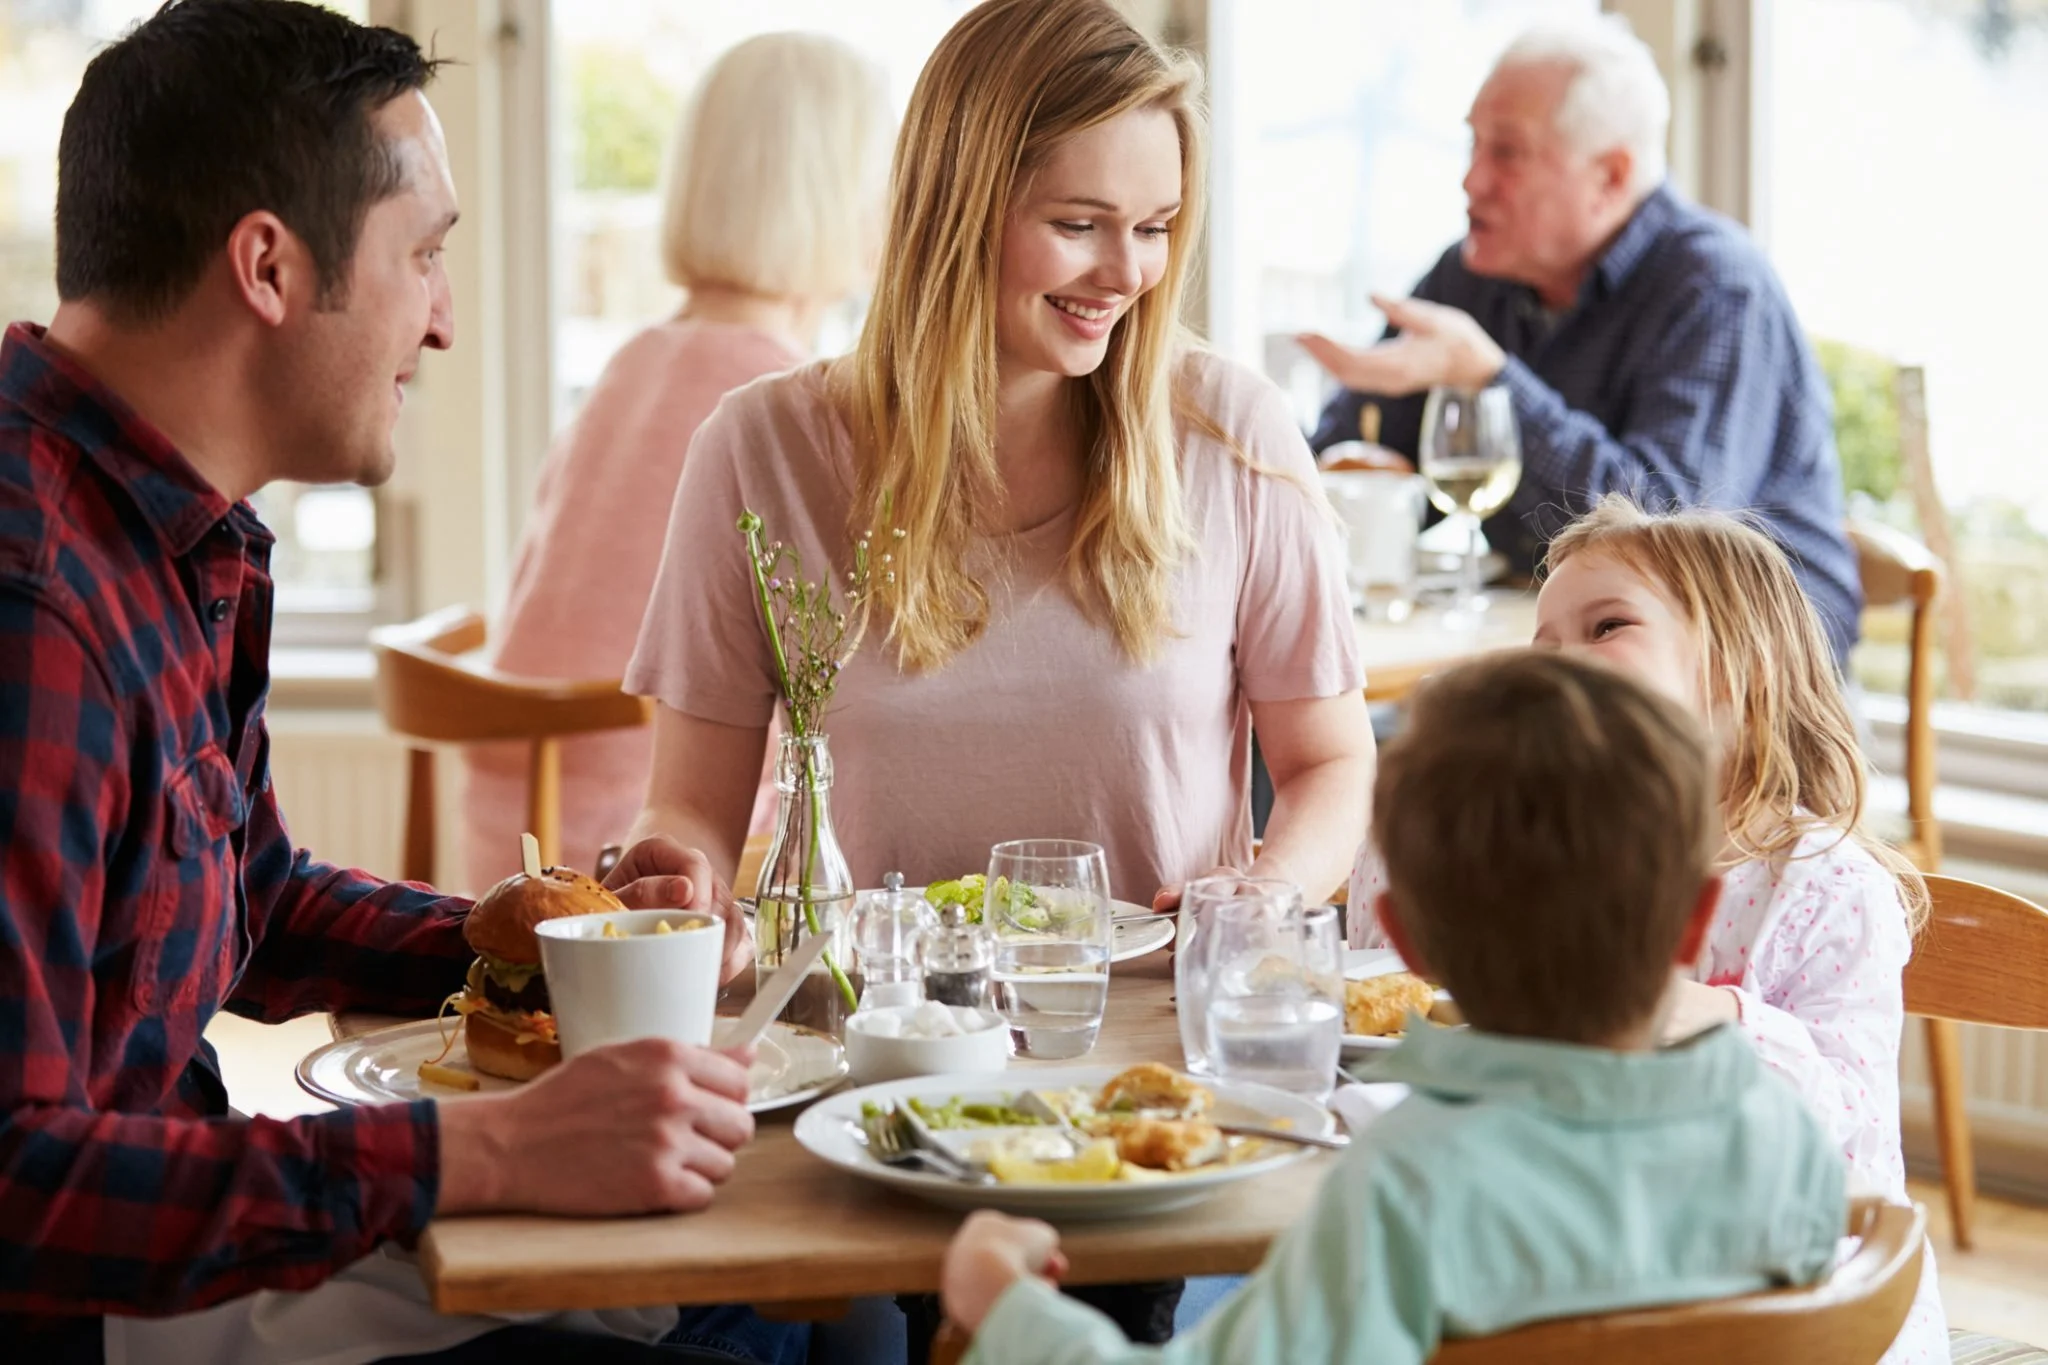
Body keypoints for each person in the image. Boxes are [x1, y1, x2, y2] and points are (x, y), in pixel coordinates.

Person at [0, 4, 791, 1362]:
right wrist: (471, 1151)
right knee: (730, 1325)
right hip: (99, 1320)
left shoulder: (167, 532)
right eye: (423, 257)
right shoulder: (36, 613)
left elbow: (257, 904)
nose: (441, 324)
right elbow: (18, 1188)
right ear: (268, 266)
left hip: (187, 1242)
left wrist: (560, 948)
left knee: (764, 1294)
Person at [623, 0, 1373, 918]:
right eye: (1079, 224)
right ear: (958, 209)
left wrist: (1265, 891)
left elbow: (1331, 762)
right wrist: (682, 877)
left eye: (1154, 226)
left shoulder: (1230, 430)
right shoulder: (759, 448)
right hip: (882, 1032)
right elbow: (692, 804)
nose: (1129, 273)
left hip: (1159, 1034)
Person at [939, 649, 1850, 1364]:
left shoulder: (1408, 1192)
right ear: (1695, 923)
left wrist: (1007, 1308)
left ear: (1403, 940)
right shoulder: (1786, 1145)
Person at [1350, 495, 1948, 1363]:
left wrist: (1702, 1011)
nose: (1557, 661)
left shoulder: (1825, 885)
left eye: (1606, 627)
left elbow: (1846, 1128)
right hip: (1569, 1269)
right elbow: (1386, 968)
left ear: (1741, 668)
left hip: (1800, 1320)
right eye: (1543, 642)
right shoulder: (1530, 847)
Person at [460, 33, 894, 894]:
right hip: (649, 857)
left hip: (510, 837)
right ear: (840, 192)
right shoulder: (774, 404)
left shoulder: (636, 361)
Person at [1299, 18, 1863, 665]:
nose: (1471, 181)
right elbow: (1355, 456)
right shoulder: (1470, 275)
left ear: (1612, 176)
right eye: (1472, 146)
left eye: (1506, 153)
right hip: (1560, 647)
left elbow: (1662, 537)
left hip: (1749, 676)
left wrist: (1490, 380)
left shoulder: (1717, 286)